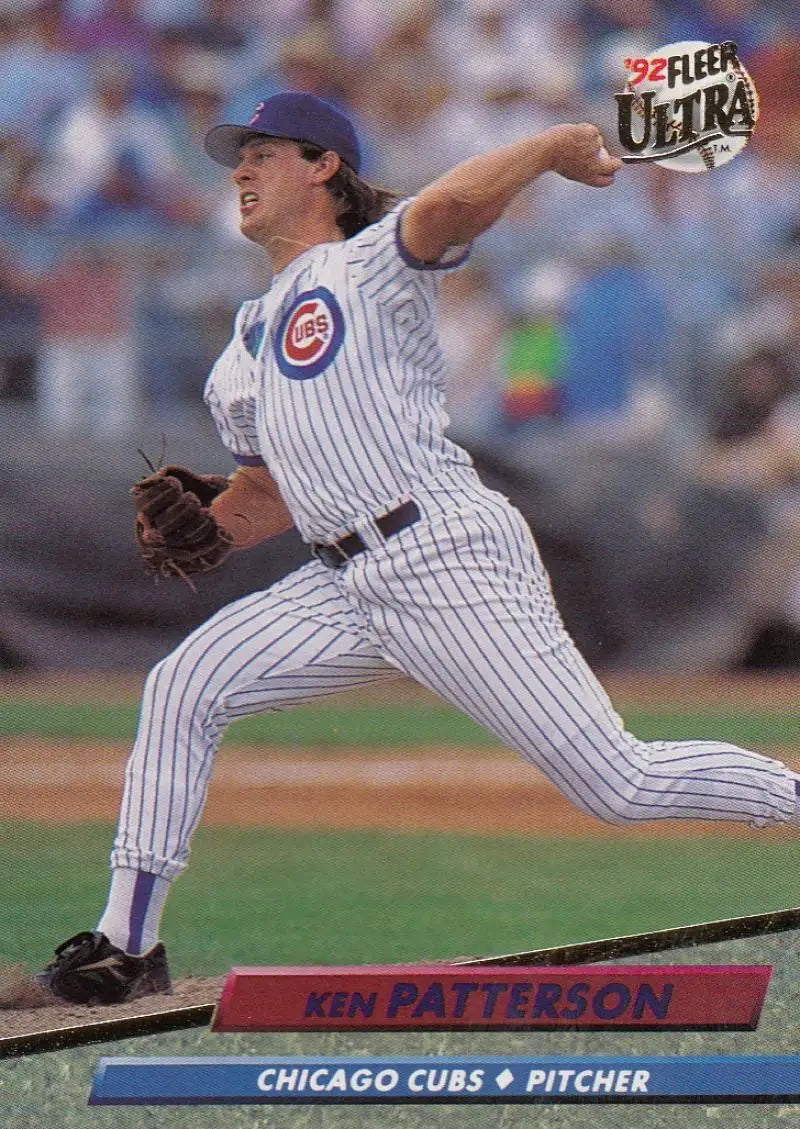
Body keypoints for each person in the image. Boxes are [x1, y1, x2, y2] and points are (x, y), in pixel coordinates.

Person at [35, 91, 800, 1005]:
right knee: (182, 685)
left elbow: (445, 209)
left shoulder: (366, 268)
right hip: (342, 580)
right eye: (238, 158)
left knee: (618, 782)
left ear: (323, 167)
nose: (239, 170)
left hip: (441, 555)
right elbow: (269, 496)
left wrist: (552, 145)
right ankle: (126, 946)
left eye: (264, 154)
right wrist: (209, 525)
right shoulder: (238, 348)